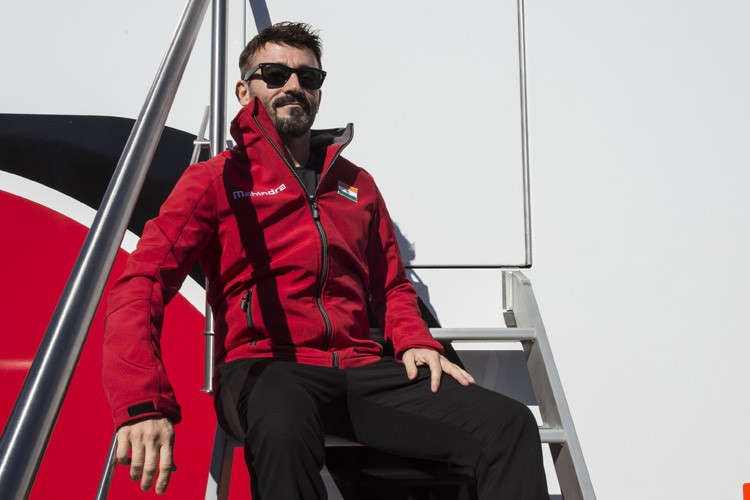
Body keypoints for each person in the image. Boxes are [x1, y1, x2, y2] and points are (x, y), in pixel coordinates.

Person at [102, 21, 549, 499]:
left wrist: (413, 339)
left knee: (508, 425)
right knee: (282, 421)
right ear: (243, 91)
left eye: (308, 77)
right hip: (264, 368)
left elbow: (392, 284)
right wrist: (143, 401)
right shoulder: (216, 180)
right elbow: (142, 282)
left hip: (357, 370)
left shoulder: (356, 183)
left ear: (319, 92)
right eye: (275, 75)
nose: (293, 85)